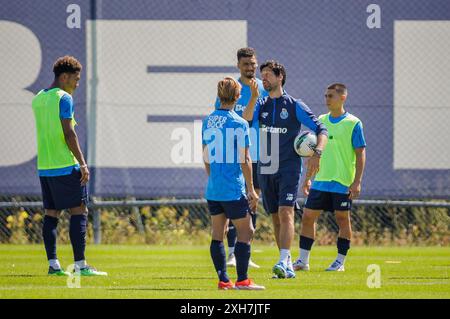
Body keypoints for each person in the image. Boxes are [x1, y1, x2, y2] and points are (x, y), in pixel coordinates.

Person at [243, 60, 328, 279]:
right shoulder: (260, 103)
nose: (264, 78)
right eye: (263, 75)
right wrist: (253, 97)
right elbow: (246, 120)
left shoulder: (294, 105)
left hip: (289, 167)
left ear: (280, 76)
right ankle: (287, 261)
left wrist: (317, 153)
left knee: (285, 212)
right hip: (266, 166)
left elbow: (321, 129)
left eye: (269, 74)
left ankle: (283, 260)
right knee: (275, 218)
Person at [31, 56, 107, 276]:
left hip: (45, 167)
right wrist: (83, 163)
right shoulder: (64, 98)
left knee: (51, 214)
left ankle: (53, 265)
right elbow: (69, 133)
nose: (77, 84)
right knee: (79, 211)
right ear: (64, 77)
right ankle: (81, 265)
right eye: (76, 79)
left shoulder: (38, 98)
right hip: (65, 165)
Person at [293, 83, 366, 272]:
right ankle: (303, 260)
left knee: (343, 219)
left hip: (342, 182)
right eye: (325, 96)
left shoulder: (353, 123)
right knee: (308, 217)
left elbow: (360, 154)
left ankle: (340, 261)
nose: (326, 99)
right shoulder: (321, 121)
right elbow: (313, 154)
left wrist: (357, 181)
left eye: (331, 96)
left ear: (343, 97)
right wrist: (308, 178)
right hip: (321, 180)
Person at [203, 77, 265, 290]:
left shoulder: (208, 120)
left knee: (217, 234)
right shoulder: (239, 122)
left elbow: (205, 156)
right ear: (238, 97)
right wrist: (251, 189)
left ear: (219, 96)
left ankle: (223, 280)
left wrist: (213, 178)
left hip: (214, 188)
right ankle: (242, 280)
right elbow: (245, 159)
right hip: (232, 188)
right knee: (247, 231)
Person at [215, 47, 268, 269]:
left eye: (253, 64)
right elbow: (228, 118)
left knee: (252, 201)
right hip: (235, 156)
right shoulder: (232, 88)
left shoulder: (265, 88)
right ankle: (231, 253)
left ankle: (245, 252)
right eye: (246, 64)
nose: (251, 68)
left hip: (260, 153)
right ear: (238, 65)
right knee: (233, 202)